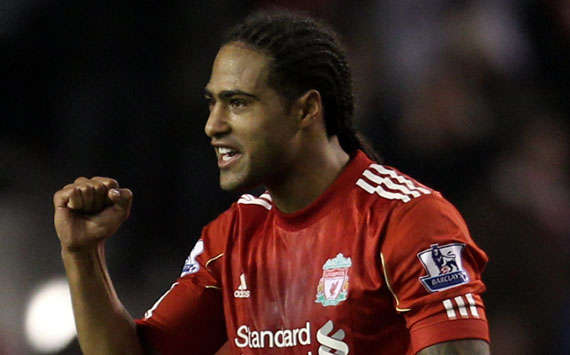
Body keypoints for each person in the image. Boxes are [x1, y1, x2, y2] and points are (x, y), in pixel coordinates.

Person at [53, 11, 490, 355]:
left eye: (238, 103)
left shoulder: (408, 219)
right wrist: (82, 253)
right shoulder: (234, 235)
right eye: (213, 104)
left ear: (305, 110)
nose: (213, 126)